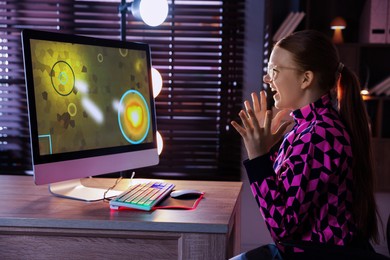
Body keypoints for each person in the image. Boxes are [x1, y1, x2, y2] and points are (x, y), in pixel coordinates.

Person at [230, 30, 384, 259]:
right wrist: (268, 151)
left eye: (275, 70)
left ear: (306, 79)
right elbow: (285, 195)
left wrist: (259, 157)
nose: (267, 79)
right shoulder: (307, 127)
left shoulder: (319, 135)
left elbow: (281, 227)